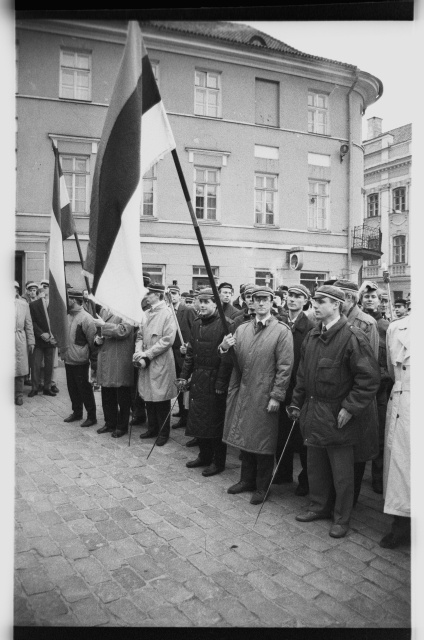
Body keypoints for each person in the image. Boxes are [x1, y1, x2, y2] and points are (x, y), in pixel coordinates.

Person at [289, 285, 380, 538]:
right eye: (315, 300)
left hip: (339, 416)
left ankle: (341, 518)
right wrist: (296, 403)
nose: (315, 305)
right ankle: (318, 506)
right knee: (315, 465)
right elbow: (302, 375)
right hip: (313, 411)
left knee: (342, 474)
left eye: (321, 301)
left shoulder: (353, 337)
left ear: (337, 305)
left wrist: (350, 408)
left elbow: (369, 379)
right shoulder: (312, 335)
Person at [220, 286, 293, 505]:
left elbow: (285, 366)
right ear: (251, 302)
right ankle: (246, 480)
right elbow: (230, 359)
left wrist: (277, 395)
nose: (260, 303)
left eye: (265, 300)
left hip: (264, 392)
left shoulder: (282, 331)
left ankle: (263, 486)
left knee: (263, 441)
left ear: (272, 302)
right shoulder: (242, 329)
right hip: (244, 390)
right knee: (245, 436)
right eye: (256, 299)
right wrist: (224, 347)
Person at [177, 287, 234, 476]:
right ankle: (204, 455)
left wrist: (220, 383)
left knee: (215, 422)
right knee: (199, 419)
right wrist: (184, 376)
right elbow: (191, 353)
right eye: (199, 301)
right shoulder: (196, 323)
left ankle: (218, 462)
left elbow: (228, 359)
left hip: (215, 379)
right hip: (198, 378)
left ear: (216, 304)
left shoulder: (227, 324)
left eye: (206, 302)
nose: (201, 305)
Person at [273, 284, 315, 495]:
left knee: (301, 436)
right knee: (281, 432)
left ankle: (305, 481)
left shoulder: (310, 327)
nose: (292, 299)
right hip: (281, 384)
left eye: (298, 296)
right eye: (290, 295)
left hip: (300, 387)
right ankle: (282, 473)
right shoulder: (279, 322)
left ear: (306, 301)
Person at [380, 313, 410, 548]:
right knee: (400, 466)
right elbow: (392, 368)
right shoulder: (397, 328)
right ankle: (401, 526)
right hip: (404, 400)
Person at [359, 280, 392, 494]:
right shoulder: (358, 323)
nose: (370, 299)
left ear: (379, 301)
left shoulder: (386, 327)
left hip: (380, 388)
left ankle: (378, 477)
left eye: (373, 297)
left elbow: (390, 361)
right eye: (366, 296)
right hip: (359, 387)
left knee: (379, 433)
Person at [134, 283, 176, 447]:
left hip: (160, 362)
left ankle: (163, 433)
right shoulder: (145, 313)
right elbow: (139, 336)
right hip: (145, 361)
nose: (146, 297)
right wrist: (138, 352)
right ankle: (152, 428)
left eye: (149, 294)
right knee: (148, 396)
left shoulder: (167, 314)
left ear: (158, 295)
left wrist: (147, 353)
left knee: (160, 398)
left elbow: (168, 340)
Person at [93, 308, 136, 438]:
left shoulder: (127, 309)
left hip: (119, 359)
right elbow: (98, 331)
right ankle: (109, 422)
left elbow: (123, 330)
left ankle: (122, 426)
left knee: (122, 395)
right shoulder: (104, 310)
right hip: (106, 358)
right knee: (107, 393)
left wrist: (104, 325)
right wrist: (97, 339)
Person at [62, 288, 97, 427]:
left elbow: (92, 341)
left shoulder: (86, 318)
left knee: (84, 389)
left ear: (74, 300)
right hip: (68, 358)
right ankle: (77, 412)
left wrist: (93, 361)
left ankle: (92, 416)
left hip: (81, 361)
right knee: (72, 388)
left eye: (68, 298)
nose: (66, 300)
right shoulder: (67, 315)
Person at [168, 284, 197, 430]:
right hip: (171, 354)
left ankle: (187, 417)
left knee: (185, 385)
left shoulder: (188, 310)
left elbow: (196, 330)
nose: (172, 296)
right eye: (170, 293)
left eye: (175, 293)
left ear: (179, 295)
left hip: (184, 355)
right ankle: (181, 411)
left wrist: (189, 345)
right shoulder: (167, 311)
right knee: (178, 384)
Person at [130, 272, 152, 427]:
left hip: (146, 347)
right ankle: (137, 412)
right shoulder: (133, 301)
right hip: (133, 345)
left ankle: (144, 415)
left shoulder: (149, 304)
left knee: (145, 383)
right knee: (134, 383)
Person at [28, 281, 58, 397]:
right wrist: (41, 334)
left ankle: (47, 387)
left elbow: (58, 322)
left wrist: (53, 336)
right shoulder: (33, 305)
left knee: (49, 365)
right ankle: (34, 387)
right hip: (39, 340)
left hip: (51, 340)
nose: (44, 289)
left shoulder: (56, 306)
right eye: (42, 287)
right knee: (35, 365)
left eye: (46, 287)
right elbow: (32, 322)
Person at [15, 282, 35, 405]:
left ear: (17, 291)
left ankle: (19, 394)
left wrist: (31, 341)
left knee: (20, 368)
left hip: (19, 338)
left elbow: (29, 324)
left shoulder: (23, 305)